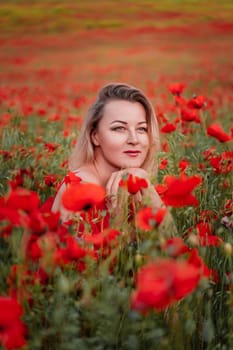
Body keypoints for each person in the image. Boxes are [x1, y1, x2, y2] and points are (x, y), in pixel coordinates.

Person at [52, 83, 167, 225]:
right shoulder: (79, 190)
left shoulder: (132, 181)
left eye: (142, 129)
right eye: (119, 128)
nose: (134, 140)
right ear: (95, 136)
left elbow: (175, 244)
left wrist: (148, 188)